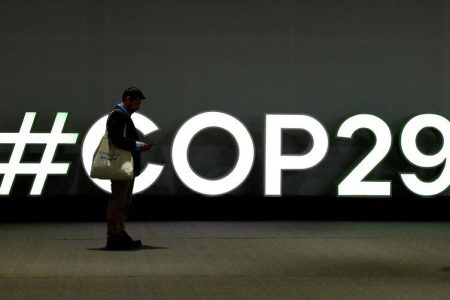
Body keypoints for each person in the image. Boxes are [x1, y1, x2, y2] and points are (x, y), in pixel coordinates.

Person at [105, 86, 152, 250]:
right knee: (118, 201)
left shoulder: (121, 115)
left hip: (125, 165)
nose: (138, 107)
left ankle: (119, 233)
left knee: (122, 201)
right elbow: (116, 139)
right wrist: (138, 145)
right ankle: (114, 236)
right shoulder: (118, 115)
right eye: (136, 103)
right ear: (127, 100)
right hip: (122, 166)